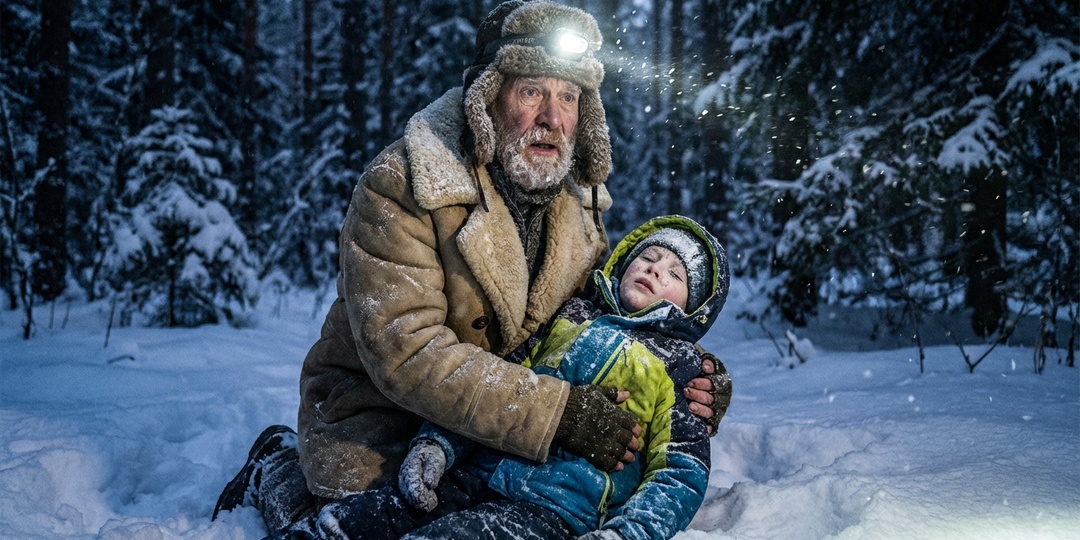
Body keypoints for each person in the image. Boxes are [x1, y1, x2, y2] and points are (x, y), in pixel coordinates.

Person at [212, 0, 731, 530]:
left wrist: (690, 379)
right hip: (384, 413)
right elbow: (408, 353)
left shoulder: (582, 210)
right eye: (532, 91)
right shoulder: (404, 183)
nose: (553, 118)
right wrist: (557, 413)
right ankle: (275, 462)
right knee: (363, 520)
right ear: (486, 99)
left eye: (569, 97)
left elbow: (595, 321)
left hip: (499, 436)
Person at [267, 215, 731, 540]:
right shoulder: (568, 316)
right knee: (356, 522)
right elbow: (498, 381)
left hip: (552, 511)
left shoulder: (681, 370)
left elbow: (680, 474)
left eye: (676, 273)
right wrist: (439, 445)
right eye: (649, 255)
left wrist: (630, 533)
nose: (655, 268)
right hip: (476, 471)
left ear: (692, 309)